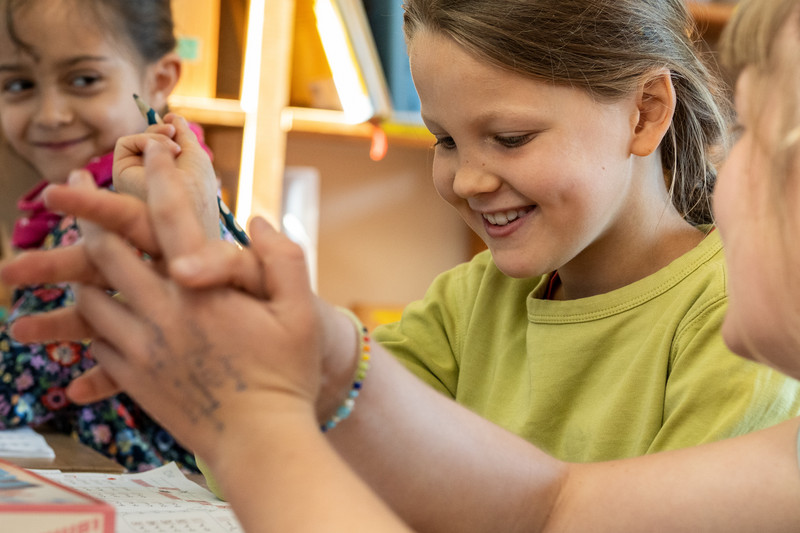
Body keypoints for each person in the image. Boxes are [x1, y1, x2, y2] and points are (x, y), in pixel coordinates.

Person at [4, 0, 800, 527]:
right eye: (446, 139)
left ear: (646, 112)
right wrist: (212, 266)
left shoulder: (728, 330)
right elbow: (545, 504)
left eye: (511, 137)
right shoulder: (471, 299)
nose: (465, 178)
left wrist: (256, 415)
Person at [0, 0, 222, 472]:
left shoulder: (119, 211)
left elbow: (18, 378)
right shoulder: (81, 202)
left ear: (158, 81)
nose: (51, 113)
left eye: (83, 80)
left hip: (164, 497)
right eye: (18, 85)